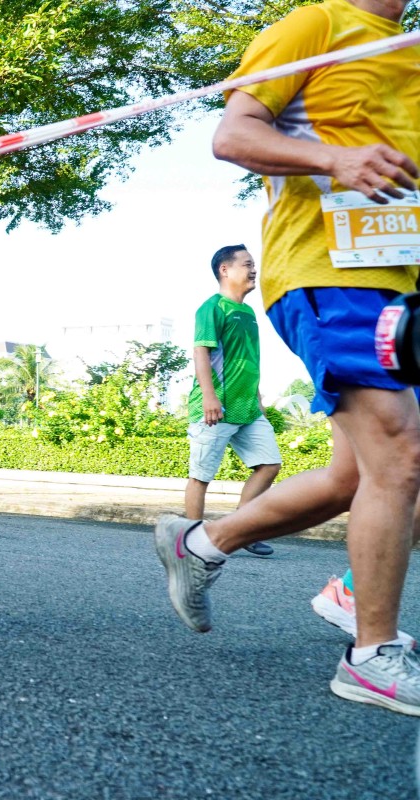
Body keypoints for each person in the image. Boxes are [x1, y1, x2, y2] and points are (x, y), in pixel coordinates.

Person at [156, 0, 420, 716]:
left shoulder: (409, 46)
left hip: (401, 279)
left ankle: (206, 546)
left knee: (355, 475)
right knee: (400, 453)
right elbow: (232, 134)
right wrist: (337, 158)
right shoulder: (317, 25)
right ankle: (371, 656)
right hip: (331, 274)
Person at [183, 245, 281, 556]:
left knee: (269, 464)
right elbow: (201, 352)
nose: (254, 270)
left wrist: (257, 398)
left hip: (248, 408)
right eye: (247, 264)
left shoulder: (249, 312)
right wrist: (210, 397)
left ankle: (242, 529)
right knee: (201, 477)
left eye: (254, 265)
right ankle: (191, 539)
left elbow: (247, 360)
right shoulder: (212, 308)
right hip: (216, 408)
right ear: (225, 270)